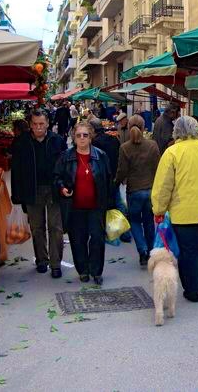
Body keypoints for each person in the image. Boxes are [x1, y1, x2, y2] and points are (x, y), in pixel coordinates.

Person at [151, 116, 198, 303]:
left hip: (184, 213)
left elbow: (163, 186)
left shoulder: (172, 153)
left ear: (176, 131)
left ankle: (192, 289)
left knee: (187, 250)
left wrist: (158, 210)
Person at [54, 121, 114, 285]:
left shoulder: (101, 156)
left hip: (96, 207)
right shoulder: (66, 157)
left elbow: (109, 180)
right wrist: (62, 188)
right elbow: (57, 177)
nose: (81, 138)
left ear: (91, 137)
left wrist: (110, 203)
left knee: (97, 239)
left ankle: (96, 271)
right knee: (78, 240)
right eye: (78, 135)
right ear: (73, 137)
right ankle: (83, 270)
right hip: (75, 208)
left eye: (85, 135)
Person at [11, 110, 67, 278]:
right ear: (30, 125)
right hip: (32, 189)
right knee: (37, 228)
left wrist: (66, 186)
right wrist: (17, 195)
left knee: (55, 227)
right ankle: (42, 260)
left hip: (53, 189)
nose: (38, 127)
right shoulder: (22, 142)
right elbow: (16, 171)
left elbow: (65, 167)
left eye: (41, 124)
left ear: (48, 124)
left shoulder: (57, 141)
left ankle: (56, 264)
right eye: (35, 124)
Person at [116, 115, 160, 266]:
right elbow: (158, 168)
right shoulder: (153, 145)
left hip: (134, 190)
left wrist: (115, 183)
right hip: (150, 189)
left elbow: (122, 171)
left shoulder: (124, 148)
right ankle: (151, 250)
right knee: (149, 222)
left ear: (129, 128)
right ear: (144, 128)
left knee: (135, 221)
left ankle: (142, 251)